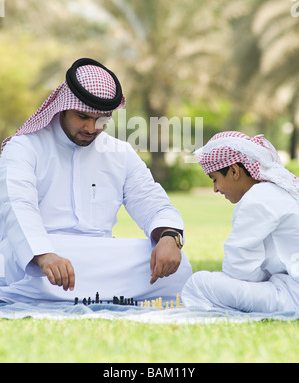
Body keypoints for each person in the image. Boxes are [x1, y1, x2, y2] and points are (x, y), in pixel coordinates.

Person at [0, 58, 191, 303]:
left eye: (101, 119)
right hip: (40, 253)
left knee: (178, 265)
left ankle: (70, 294)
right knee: (25, 264)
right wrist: (45, 255)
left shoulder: (119, 153)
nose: (92, 127)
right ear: (63, 106)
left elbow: (151, 201)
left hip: (101, 254)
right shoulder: (25, 147)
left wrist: (169, 237)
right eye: (83, 116)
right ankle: (91, 292)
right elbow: (17, 207)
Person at [182, 131, 299, 313]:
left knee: (198, 283)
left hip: (292, 296)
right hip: (289, 287)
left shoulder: (258, 197)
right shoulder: (277, 190)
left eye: (215, 179)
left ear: (234, 171)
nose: (215, 189)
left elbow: (238, 269)